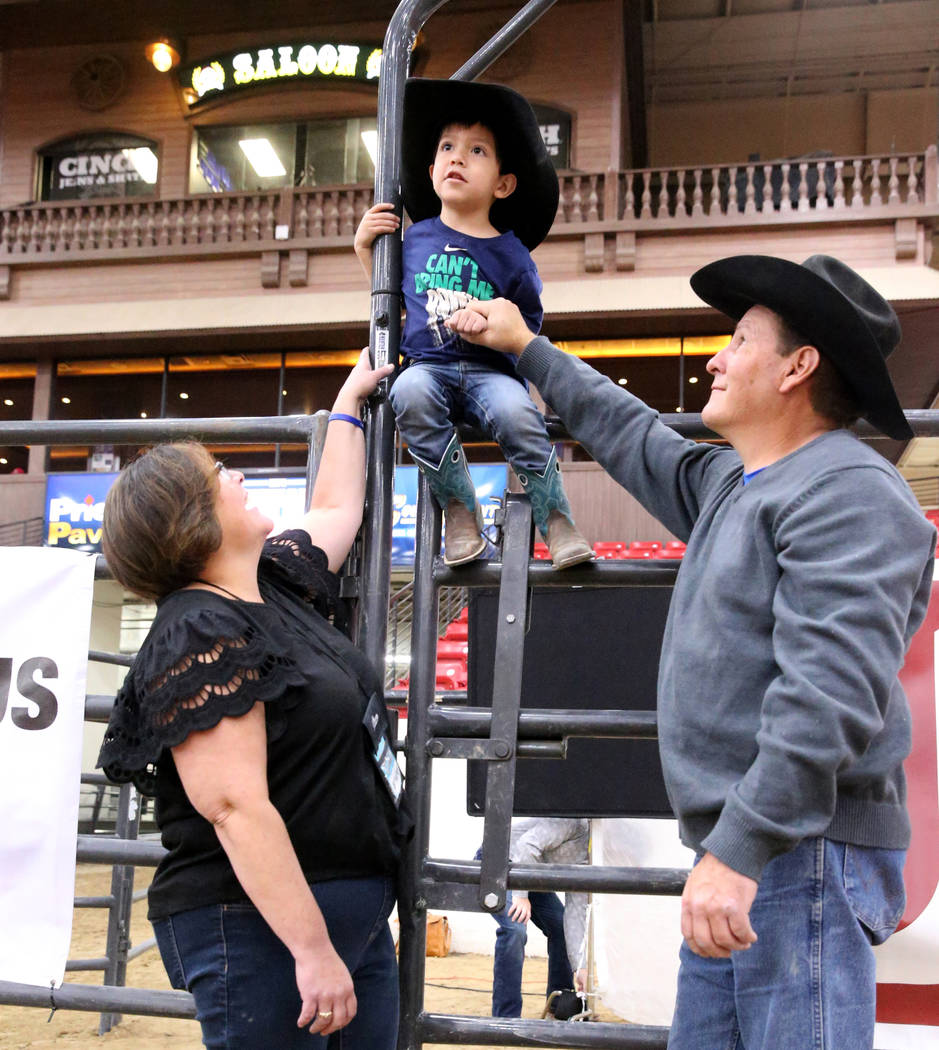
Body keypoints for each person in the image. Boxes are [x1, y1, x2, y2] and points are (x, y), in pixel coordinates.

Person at [445, 254, 937, 1049]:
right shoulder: (734, 484)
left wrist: (739, 850)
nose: (715, 355)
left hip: (794, 850)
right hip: (760, 848)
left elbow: (829, 692)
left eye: (739, 339)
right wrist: (525, 347)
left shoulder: (848, 492)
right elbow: (630, 432)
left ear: (797, 367)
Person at [96, 349, 407, 1050]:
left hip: (341, 918)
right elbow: (234, 808)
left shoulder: (275, 582)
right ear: (190, 521)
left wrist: (349, 403)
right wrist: (312, 950)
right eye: (217, 477)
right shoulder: (196, 631)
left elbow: (335, 506)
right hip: (264, 930)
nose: (235, 476)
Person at [353, 78, 592, 570]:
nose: (457, 158)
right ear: (432, 169)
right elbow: (392, 307)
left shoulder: (512, 253)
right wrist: (365, 253)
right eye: (447, 148)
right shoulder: (413, 240)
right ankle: (459, 509)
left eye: (476, 151)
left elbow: (527, 321)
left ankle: (557, 519)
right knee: (409, 393)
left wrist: (488, 320)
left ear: (503, 184)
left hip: (491, 372)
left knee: (518, 414)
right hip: (429, 365)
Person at [482, 817, 589, 1018]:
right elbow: (526, 846)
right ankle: (506, 1018)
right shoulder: (573, 823)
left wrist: (579, 967)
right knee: (515, 929)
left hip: (530, 873)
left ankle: (559, 1005)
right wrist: (521, 896)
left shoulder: (591, 856)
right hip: (500, 864)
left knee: (559, 926)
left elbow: (575, 914)